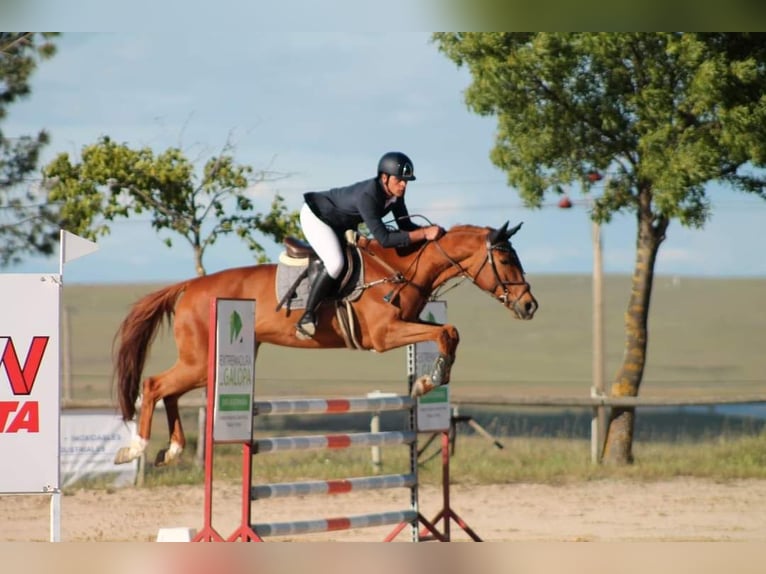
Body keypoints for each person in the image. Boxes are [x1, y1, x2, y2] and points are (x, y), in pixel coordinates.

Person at [295, 151, 445, 339]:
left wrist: (430, 234)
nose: (403, 185)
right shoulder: (368, 196)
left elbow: (405, 225)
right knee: (336, 262)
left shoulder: (395, 195)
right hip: (317, 216)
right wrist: (424, 233)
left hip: (339, 221)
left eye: (406, 181)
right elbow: (384, 239)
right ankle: (307, 315)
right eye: (399, 180)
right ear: (384, 177)